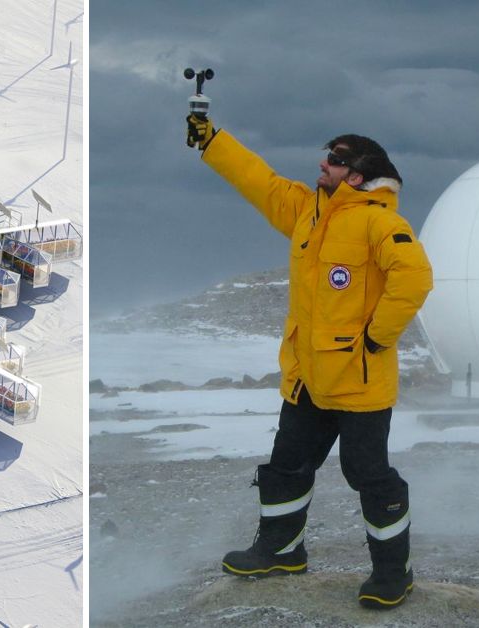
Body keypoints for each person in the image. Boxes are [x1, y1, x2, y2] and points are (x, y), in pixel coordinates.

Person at [186, 113, 434, 610]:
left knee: (368, 476)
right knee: (286, 466)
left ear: (357, 176)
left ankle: (393, 574)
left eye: (335, 160)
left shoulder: (381, 222)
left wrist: (377, 339)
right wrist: (211, 141)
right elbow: (258, 180)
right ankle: (281, 552)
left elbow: (414, 278)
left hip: (359, 383)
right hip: (306, 378)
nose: (324, 164)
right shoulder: (308, 210)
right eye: (328, 156)